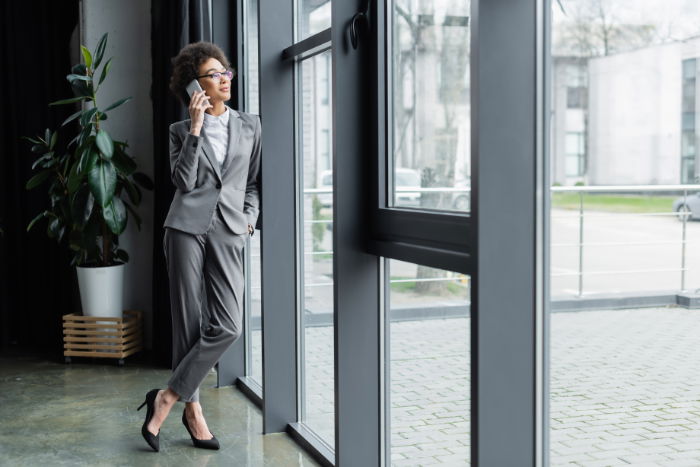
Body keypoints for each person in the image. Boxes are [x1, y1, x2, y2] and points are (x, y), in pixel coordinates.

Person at [137, 41, 261, 452]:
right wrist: (194, 129)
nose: (225, 79)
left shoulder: (250, 125)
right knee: (188, 326)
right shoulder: (179, 131)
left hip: (229, 230)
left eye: (226, 72)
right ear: (195, 85)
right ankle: (195, 413)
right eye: (214, 74)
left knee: (229, 325)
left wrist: (248, 219)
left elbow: (254, 184)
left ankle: (167, 397)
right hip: (185, 229)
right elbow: (184, 182)